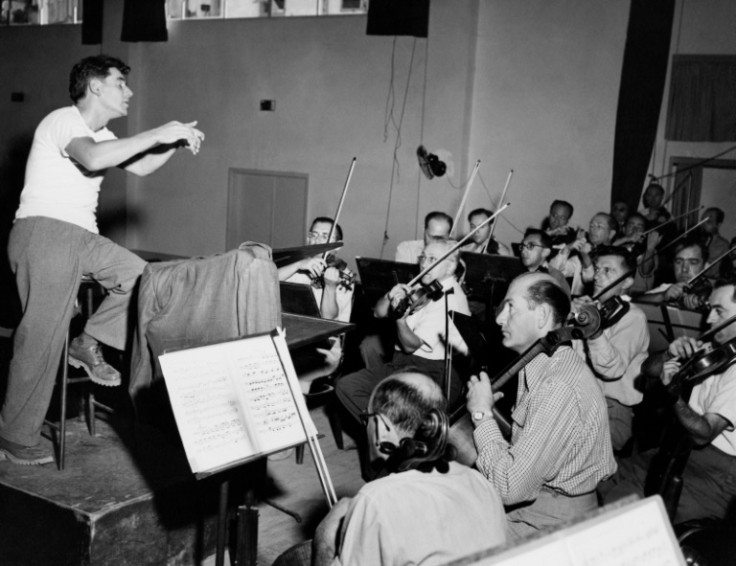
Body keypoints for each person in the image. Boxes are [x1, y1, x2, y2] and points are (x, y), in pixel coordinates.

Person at [0, 55, 204, 465]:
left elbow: (142, 166)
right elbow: (92, 158)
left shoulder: (104, 134)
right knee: (41, 339)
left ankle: (88, 341)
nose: (128, 92)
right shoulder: (63, 121)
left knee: (145, 280)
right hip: (45, 232)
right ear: (95, 87)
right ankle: (14, 437)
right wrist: (159, 131)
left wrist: (173, 145)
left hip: (82, 237)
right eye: (120, 84)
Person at [465, 272, 616, 540]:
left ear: (543, 316)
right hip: (537, 507)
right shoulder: (542, 363)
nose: (500, 318)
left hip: (548, 521)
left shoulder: (557, 387)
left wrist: (481, 415)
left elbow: (510, 487)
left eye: (510, 307)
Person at [309, 372, 507, 566]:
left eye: (366, 419)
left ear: (380, 428)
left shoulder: (376, 499)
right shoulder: (481, 482)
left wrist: (325, 532)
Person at [601, 278, 736, 523]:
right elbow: (648, 369)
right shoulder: (714, 347)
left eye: (720, 311)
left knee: (622, 503)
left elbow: (703, 433)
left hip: (715, 474)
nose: (709, 320)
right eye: (710, 310)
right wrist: (668, 353)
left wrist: (673, 394)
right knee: (604, 477)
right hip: (679, 449)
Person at [337, 239, 470, 422]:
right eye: (423, 257)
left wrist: (401, 320)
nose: (424, 263)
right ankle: (383, 428)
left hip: (433, 374)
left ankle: (393, 433)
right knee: (348, 385)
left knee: (397, 406)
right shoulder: (422, 287)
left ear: (451, 267)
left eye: (433, 259)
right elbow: (378, 312)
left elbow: (410, 345)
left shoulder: (450, 297)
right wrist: (390, 295)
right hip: (403, 365)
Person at [571, 246, 649, 452]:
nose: (597, 276)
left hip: (610, 411)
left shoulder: (633, 317)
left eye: (608, 271)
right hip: (576, 400)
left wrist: (593, 329)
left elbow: (611, 369)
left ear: (627, 282)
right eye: (597, 269)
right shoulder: (592, 308)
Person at [278, 217, 353, 322]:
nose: (317, 241)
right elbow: (265, 283)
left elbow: (327, 318)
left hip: (323, 334)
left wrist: (330, 287)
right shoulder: (297, 262)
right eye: (314, 235)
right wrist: (297, 265)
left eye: (325, 236)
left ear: (338, 245)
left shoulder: (344, 275)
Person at [549, 212, 618, 296]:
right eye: (591, 225)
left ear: (611, 234)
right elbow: (554, 270)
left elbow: (591, 280)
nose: (593, 229)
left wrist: (585, 257)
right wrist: (567, 248)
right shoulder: (583, 254)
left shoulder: (617, 258)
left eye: (599, 226)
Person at [643, 238, 710, 311]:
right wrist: (663, 295)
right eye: (679, 262)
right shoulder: (667, 288)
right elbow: (633, 304)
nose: (684, 269)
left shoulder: (712, 295)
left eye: (693, 262)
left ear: (705, 267)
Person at [518, 228, 570, 295]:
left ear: (545, 252)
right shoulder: (518, 272)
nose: (523, 251)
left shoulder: (555, 277)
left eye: (531, 246)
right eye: (523, 246)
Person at [699, 207, 730, 279]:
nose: (703, 225)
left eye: (708, 222)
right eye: (702, 221)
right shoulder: (697, 240)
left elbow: (718, 272)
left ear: (718, 225)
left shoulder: (723, 245)